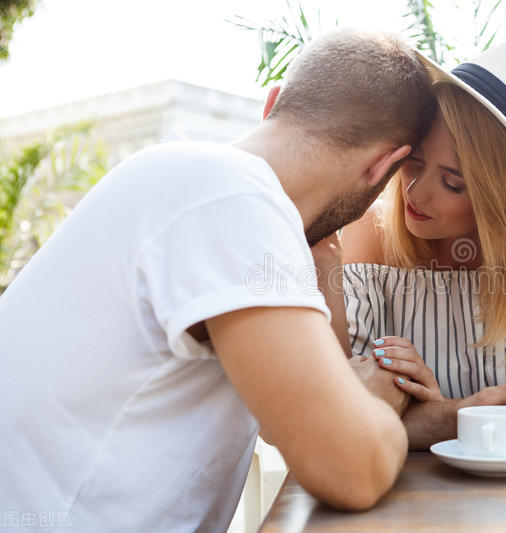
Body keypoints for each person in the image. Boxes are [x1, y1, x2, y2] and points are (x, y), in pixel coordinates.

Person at [0, 29, 436, 530]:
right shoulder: (234, 198)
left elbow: (303, 411)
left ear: (272, 103)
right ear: (387, 165)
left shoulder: (191, 176)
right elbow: (351, 469)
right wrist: (383, 389)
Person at [334, 40, 506, 450]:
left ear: (501, 200)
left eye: (453, 183)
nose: (415, 191)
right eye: (414, 159)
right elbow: (343, 399)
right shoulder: (371, 230)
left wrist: (444, 414)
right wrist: (485, 415)